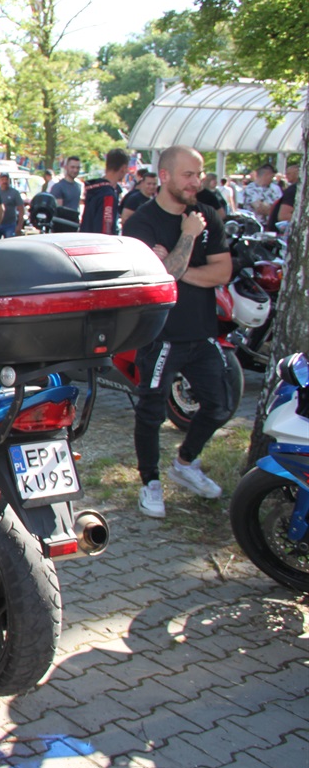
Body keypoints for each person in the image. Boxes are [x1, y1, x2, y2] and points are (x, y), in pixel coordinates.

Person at [122, 145, 233, 519]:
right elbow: (160, 277)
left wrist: (176, 267)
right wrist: (187, 238)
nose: (196, 182)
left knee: (220, 404)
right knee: (151, 413)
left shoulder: (206, 216)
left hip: (201, 332)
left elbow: (221, 272)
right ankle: (150, 482)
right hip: (161, 335)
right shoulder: (141, 223)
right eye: (189, 175)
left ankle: (185, 462)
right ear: (165, 176)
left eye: (199, 174)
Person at [79, 148, 129, 234]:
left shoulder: (95, 189)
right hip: (99, 241)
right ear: (123, 168)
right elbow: (106, 229)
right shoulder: (108, 196)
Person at [0, 173, 24, 239]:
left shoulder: (14, 193)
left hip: (10, 225)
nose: (4, 181)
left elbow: (21, 209)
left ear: (9, 181)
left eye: (6, 179)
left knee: (9, 243)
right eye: (2, 179)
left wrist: (19, 225)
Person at [269, 162, 298, 231]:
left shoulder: (296, 189)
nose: (286, 176)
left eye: (289, 174)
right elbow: (283, 216)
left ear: (297, 174)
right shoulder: (293, 190)